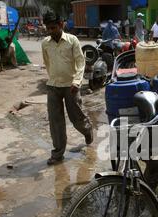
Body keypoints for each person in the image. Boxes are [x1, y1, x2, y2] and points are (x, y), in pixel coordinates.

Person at [41, 12, 93, 166]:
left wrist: (77, 82)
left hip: (71, 86)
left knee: (76, 118)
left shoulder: (72, 40)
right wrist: (53, 79)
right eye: (48, 28)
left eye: (53, 27)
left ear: (61, 25)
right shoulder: (45, 43)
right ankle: (57, 154)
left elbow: (80, 62)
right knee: (55, 122)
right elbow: (47, 63)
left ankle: (87, 130)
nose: (51, 31)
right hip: (53, 86)